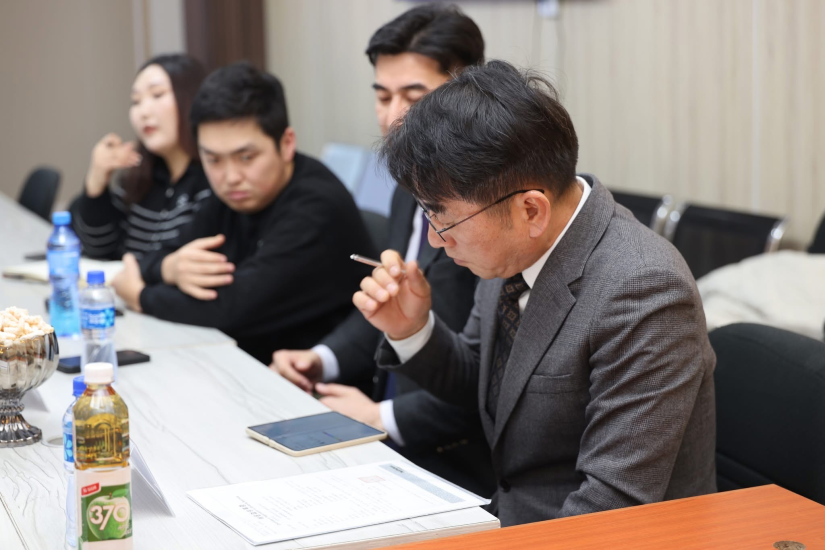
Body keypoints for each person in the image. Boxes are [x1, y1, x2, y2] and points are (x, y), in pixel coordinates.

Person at [355, 60, 717, 527]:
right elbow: (486, 387)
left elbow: (610, 505)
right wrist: (412, 330)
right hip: (507, 516)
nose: (434, 240)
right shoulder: (515, 242)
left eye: (443, 218)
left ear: (531, 210)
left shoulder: (644, 291)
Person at [271, 4, 495, 496]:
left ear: (466, 95)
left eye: (413, 97)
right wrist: (321, 358)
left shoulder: (489, 214)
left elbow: (490, 379)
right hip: (391, 439)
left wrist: (380, 417)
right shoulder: (406, 190)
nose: (393, 117)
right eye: (382, 95)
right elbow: (389, 309)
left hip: (457, 459)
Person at [112, 62, 375, 364]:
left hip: (308, 378)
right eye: (213, 159)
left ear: (286, 144)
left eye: (246, 157)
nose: (230, 177)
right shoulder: (232, 197)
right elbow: (154, 257)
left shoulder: (317, 205)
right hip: (241, 361)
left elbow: (231, 309)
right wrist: (169, 268)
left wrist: (140, 296)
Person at [71, 54, 210, 264]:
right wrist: (96, 181)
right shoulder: (140, 177)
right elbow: (99, 250)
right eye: (136, 101)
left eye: (157, 94)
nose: (143, 112)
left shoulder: (211, 181)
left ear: (191, 99)